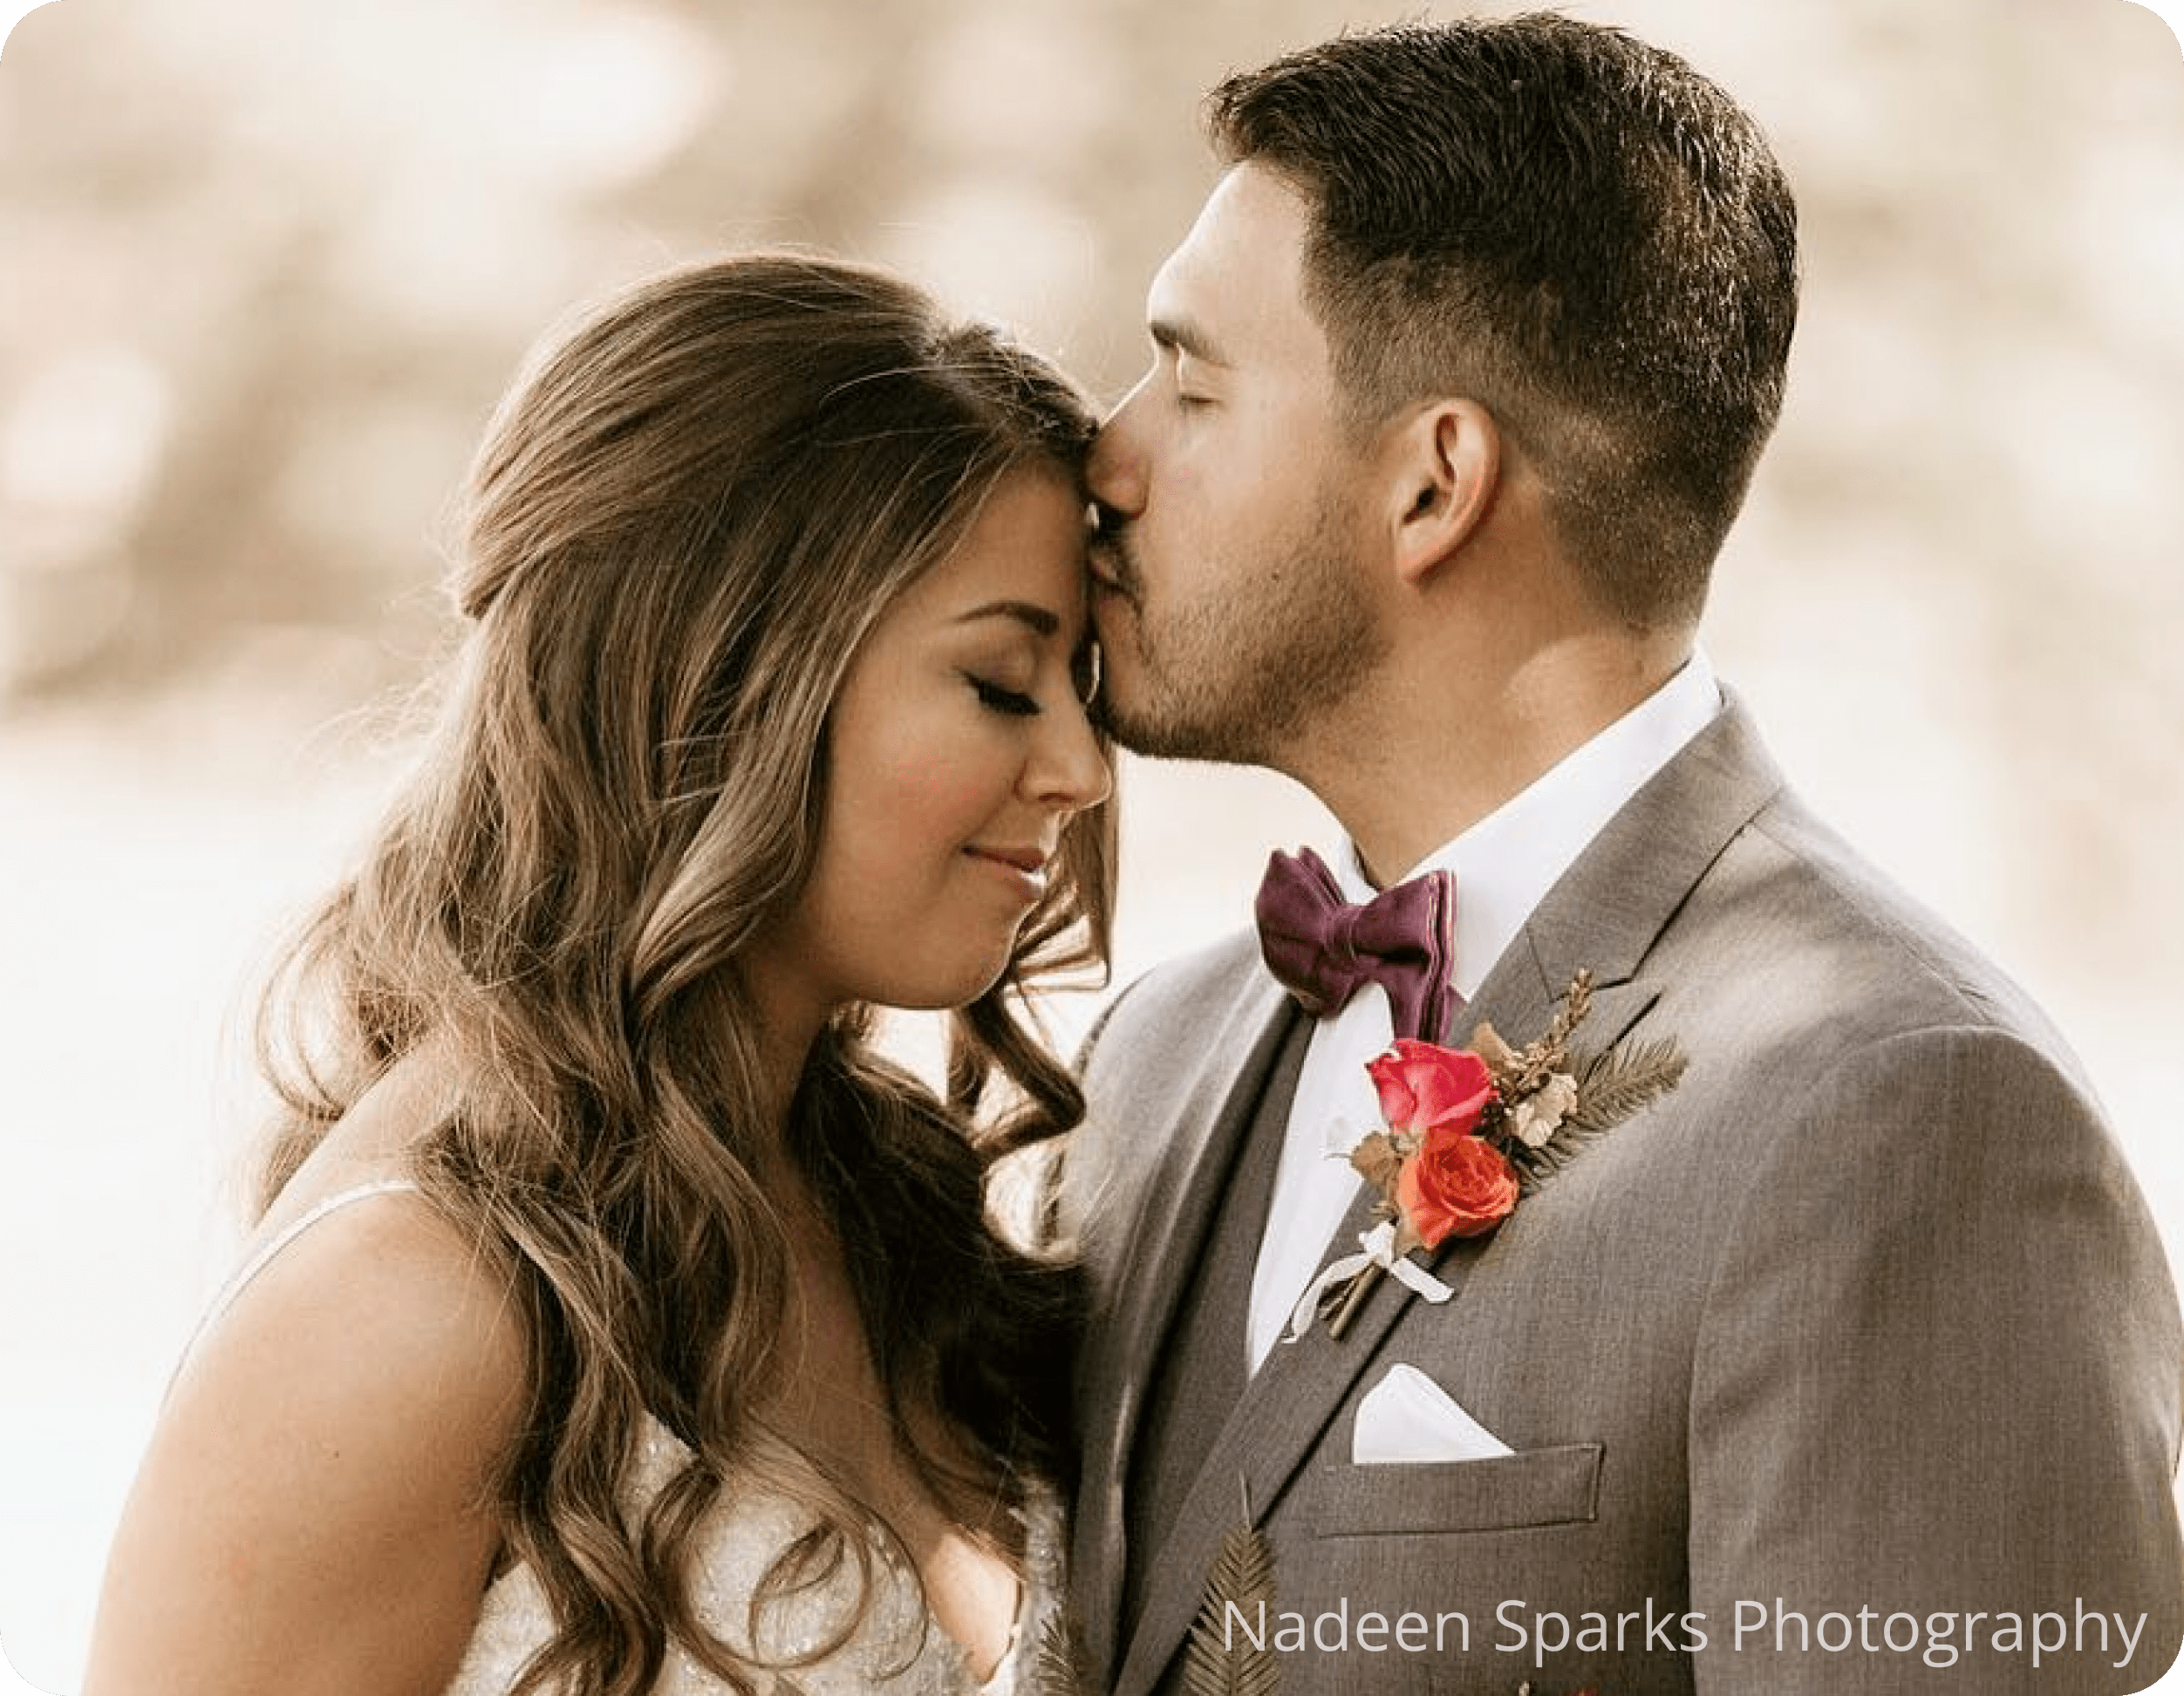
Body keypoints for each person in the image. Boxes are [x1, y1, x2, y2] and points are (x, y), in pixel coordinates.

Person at [1059, 15, 2183, 1696]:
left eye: (1193, 383)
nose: (1107, 455)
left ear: (1435, 483)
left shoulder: (1909, 1118)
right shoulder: (1146, 1060)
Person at [82, 251, 1116, 1696]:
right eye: (1004, 685)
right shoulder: (412, 1298)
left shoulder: (883, 1205)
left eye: (1087, 694)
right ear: (720, 669)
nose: (1076, 769)